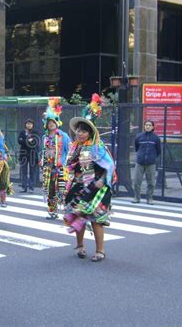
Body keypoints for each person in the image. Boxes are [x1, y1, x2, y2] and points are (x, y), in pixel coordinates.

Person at [63, 93, 116, 262]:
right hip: (78, 186)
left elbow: (109, 165)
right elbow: (70, 165)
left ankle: (100, 250)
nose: (80, 133)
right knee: (78, 217)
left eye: (84, 131)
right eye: (78, 130)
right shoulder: (74, 147)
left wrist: (102, 180)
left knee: (96, 220)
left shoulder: (97, 147)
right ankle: (80, 246)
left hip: (96, 188)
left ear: (90, 133)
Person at [40, 97, 70, 219]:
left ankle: (68, 212)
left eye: (53, 122)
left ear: (56, 123)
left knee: (63, 190)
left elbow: (70, 149)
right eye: (49, 123)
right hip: (48, 167)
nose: (51, 124)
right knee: (50, 190)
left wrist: (67, 162)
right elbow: (43, 151)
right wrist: (42, 159)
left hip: (61, 167)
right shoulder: (45, 137)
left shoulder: (63, 135)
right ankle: (52, 211)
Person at [132, 120, 161, 204]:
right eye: (146, 125)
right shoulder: (139, 136)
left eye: (149, 125)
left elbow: (158, 151)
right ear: (144, 126)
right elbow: (137, 148)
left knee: (151, 182)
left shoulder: (156, 138)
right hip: (139, 162)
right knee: (137, 181)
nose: (147, 126)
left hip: (151, 163)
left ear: (153, 127)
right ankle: (136, 198)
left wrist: (152, 157)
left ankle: (149, 199)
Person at [18, 118, 40, 193]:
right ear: (25, 124)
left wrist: (25, 141)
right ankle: (24, 187)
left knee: (32, 171)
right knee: (24, 171)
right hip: (23, 154)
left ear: (32, 125)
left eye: (30, 124)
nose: (29, 125)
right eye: (27, 123)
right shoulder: (22, 132)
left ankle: (31, 187)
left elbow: (35, 142)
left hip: (32, 154)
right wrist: (28, 141)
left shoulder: (36, 132)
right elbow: (19, 141)